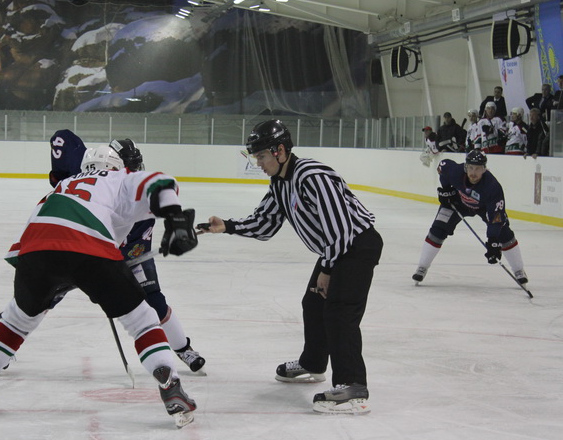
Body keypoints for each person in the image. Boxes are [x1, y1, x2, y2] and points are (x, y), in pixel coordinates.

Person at [0, 144, 200, 428]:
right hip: (91, 247)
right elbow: (160, 182)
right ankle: (170, 387)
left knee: (18, 320)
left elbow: (31, 238)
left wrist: (45, 286)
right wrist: (175, 219)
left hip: (36, 250)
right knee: (142, 321)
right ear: (117, 165)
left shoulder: (61, 187)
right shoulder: (120, 177)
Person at [199, 120, 383, 415]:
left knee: (340, 312)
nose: (258, 163)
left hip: (356, 246)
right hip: (336, 249)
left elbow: (341, 228)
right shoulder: (280, 183)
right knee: (313, 304)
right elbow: (264, 224)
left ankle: (353, 387)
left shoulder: (312, 176)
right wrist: (227, 226)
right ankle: (313, 363)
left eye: (262, 156)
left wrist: (327, 270)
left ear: (280, 150)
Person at [48, 129, 206, 373]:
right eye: (129, 167)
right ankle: (7, 346)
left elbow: (136, 241)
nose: (134, 171)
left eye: (136, 165)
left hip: (127, 256)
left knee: (154, 300)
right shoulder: (98, 188)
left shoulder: (140, 197)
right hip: (85, 252)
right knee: (44, 293)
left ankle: (183, 348)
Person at [412, 150, 528, 285]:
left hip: (483, 208)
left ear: (484, 169)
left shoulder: (492, 187)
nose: (473, 173)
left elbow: (496, 218)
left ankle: (519, 270)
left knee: (504, 233)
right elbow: (442, 168)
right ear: (466, 167)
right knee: (438, 230)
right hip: (458, 202)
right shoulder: (455, 171)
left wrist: (493, 241)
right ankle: (422, 267)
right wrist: (446, 189)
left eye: (478, 169)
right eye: (471, 168)